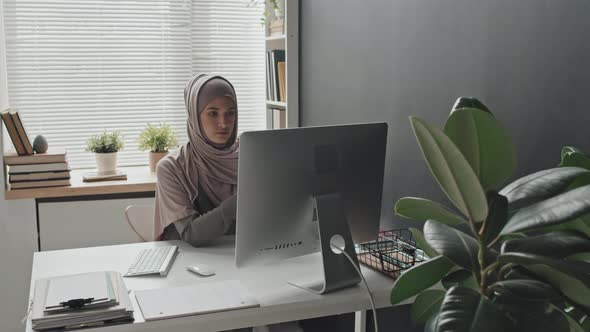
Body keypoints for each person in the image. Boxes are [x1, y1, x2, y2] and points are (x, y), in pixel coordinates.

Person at [154, 74, 239, 244]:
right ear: (194, 116)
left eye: (230, 113)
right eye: (213, 113)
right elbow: (191, 234)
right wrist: (244, 200)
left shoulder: (252, 157)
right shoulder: (172, 168)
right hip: (189, 262)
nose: (223, 123)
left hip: (242, 257)